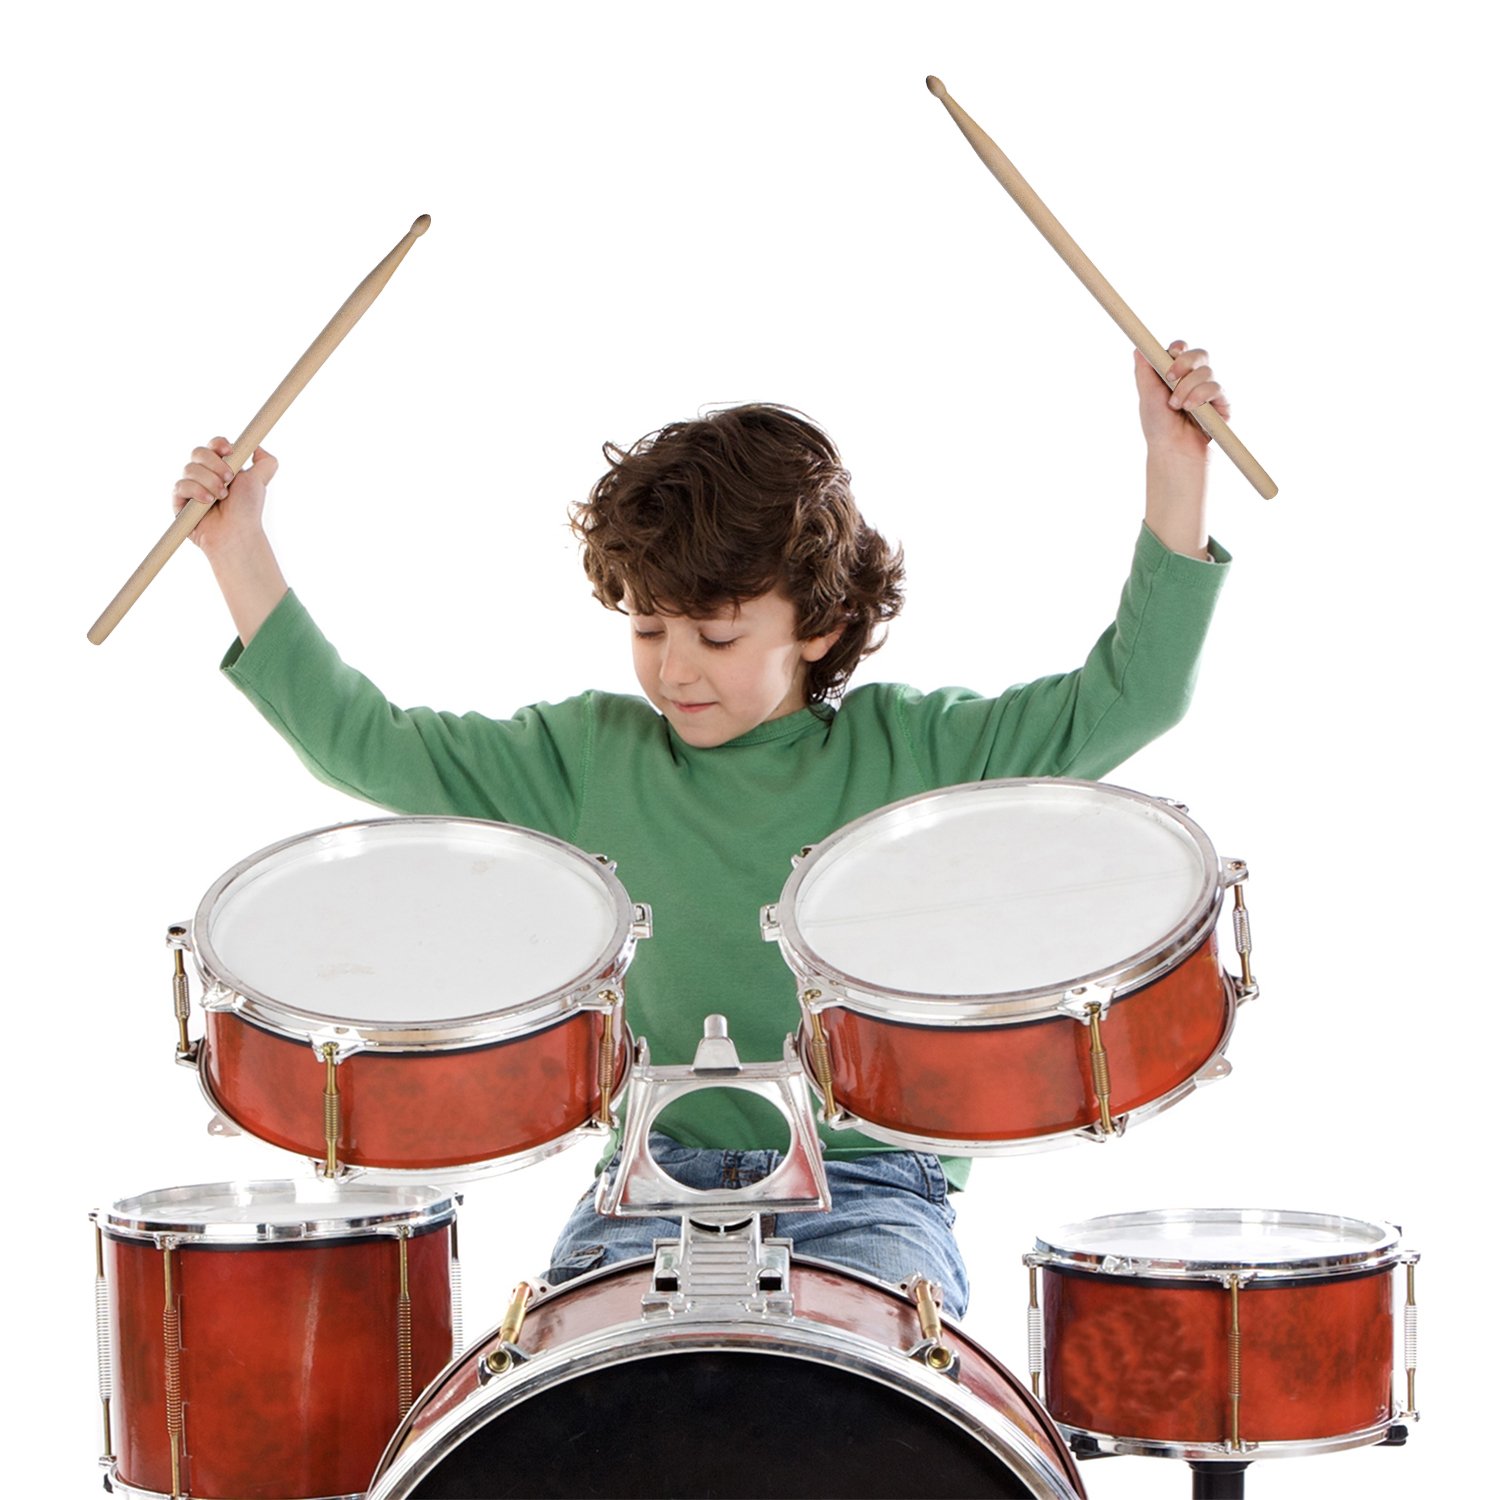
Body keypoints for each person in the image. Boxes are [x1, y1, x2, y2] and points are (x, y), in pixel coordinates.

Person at [173, 341, 1230, 1318]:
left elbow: (1130, 697)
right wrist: (237, 547)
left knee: (863, 1395)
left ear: (820, 624)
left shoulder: (917, 755)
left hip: (867, 1190)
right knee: (577, 1400)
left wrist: (1174, 467)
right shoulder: (588, 759)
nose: (674, 669)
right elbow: (369, 746)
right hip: (648, 1187)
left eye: (716, 636)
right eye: (647, 627)